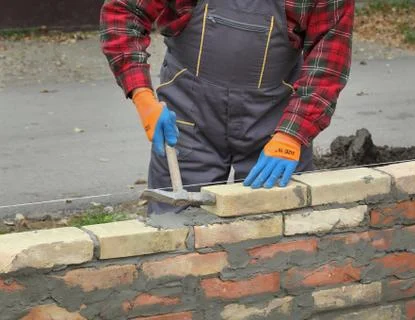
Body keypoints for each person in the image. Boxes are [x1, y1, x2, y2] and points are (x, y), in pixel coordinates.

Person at [100, 0, 354, 213]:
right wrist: (143, 98)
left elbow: (328, 64)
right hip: (187, 122)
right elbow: (124, 11)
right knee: (174, 238)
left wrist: (292, 135)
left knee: (276, 240)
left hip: (274, 128)